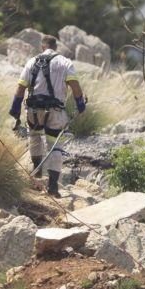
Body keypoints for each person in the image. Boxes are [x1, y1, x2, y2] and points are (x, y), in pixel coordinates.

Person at [8, 36, 86, 197]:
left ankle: (36, 176)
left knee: (35, 138)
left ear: (42, 47)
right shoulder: (65, 62)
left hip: (34, 111)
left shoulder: (32, 62)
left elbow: (21, 87)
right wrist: (80, 105)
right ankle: (52, 187)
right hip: (56, 112)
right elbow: (75, 87)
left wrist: (15, 109)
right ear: (55, 47)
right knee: (55, 146)